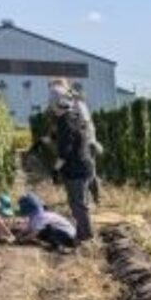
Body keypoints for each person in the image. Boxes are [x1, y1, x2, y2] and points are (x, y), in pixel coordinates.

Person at [48, 84, 94, 242]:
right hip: (84, 165)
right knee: (81, 203)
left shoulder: (65, 122)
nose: (51, 108)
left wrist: (55, 170)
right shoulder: (75, 116)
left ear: (57, 104)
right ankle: (84, 234)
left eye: (52, 104)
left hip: (76, 169)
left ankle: (85, 238)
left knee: (78, 204)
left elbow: (65, 153)